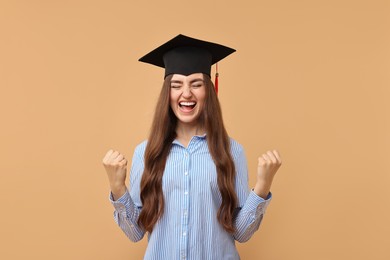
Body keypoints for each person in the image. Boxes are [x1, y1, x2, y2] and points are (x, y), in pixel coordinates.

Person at [102, 34, 282, 260]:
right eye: (176, 85)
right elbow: (136, 232)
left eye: (196, 84)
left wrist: (263, 186)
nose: (186, 93)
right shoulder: (146, 153)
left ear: (209, 90)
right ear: (167, 93)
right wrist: (117, 187)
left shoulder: (232, 151)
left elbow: (241, 233)